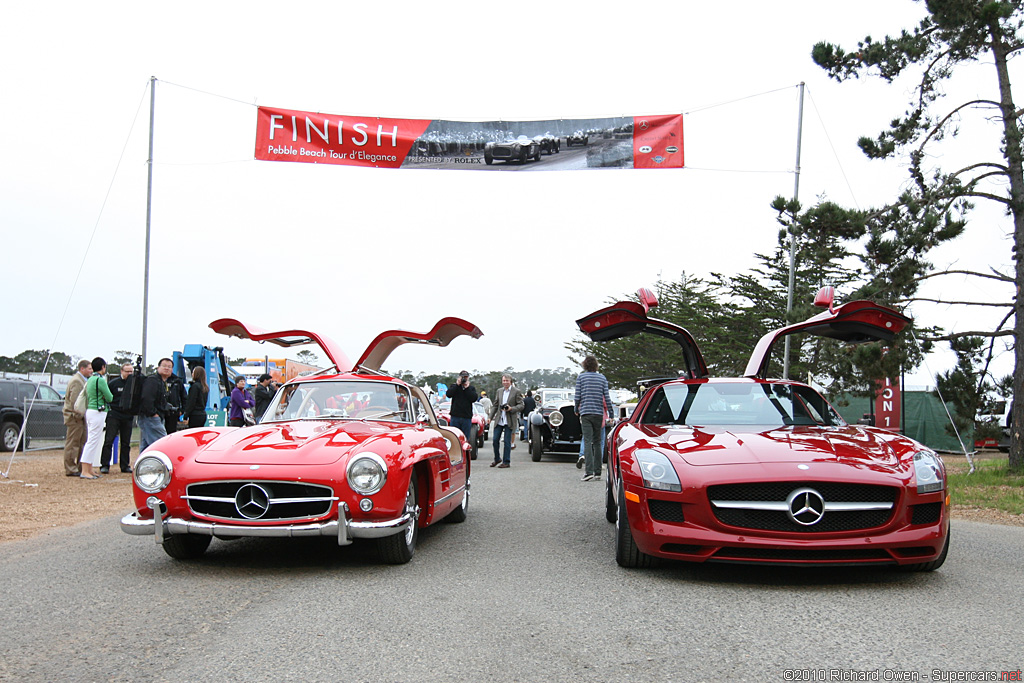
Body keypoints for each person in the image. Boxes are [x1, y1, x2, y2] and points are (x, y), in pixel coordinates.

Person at [575, 355, 613, 482]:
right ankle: (597, 472)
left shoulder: (581, 377)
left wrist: (576, 409)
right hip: (598, 413)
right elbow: (607, 397)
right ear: (596, 365)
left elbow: (577, 396)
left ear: (585, 365)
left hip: (586, 412)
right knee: (597, 442)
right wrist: (611, 413)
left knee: (587, 441)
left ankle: (588, 471)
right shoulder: (602, 378)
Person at [80, 357, 113, 480]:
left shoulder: (90, 380)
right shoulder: (100, 380)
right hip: (98, 411)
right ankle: (85, 470)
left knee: (92, 440)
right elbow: (109, 397)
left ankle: (89, 468)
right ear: (103, 367)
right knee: (92, 441)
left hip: (91, 410)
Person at [100, 361, 134, 474]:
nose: (129, 373)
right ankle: (104, 465)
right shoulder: (114, 383)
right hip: (114, 415)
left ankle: (125, 465)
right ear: (121, 371)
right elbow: (106, 397)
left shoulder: (134, 384)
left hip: (128, 415)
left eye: (131, 371)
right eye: (127, 371)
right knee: (109, 440)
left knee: (126, 442)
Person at [61, 359, 92, 476]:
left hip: (80, 418)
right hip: (74, 418)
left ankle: (79, 467)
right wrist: (79, 415)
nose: (91, 371)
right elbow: (75, 401)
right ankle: (70, 468)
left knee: (81, 443)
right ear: (82, 369)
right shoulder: (77, 381)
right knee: (73, 443)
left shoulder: (82, 381)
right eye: (89, 368)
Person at [487, 374, 523, 468]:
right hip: (499, 419)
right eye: (504, 381)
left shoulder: (516, 391)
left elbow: (521, 405)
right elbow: (495, 405)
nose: (505, 382)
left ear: (510, 381)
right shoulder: (499, 391)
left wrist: (511, 408)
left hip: (510, 420)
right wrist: (490, 417)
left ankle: (506, 461)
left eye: (507, 381)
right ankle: (497, 458)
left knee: (507, 442)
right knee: (495, 440)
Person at [139, 357, 173, 452]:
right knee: (162, 445)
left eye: (169, 367)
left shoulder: (162, 382)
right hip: (150, 418)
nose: (167, 368)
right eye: (164, 366)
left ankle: (142, 465)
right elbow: (146, 398)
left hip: (154, 417)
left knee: (146, 447)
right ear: (158, 368)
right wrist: (153, 414)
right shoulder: (152, 380)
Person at [445, 370, 478, 445]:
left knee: (465, 438)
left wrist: (467, 388)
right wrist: (457, 384)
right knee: (454, 437)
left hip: (466, 417)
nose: (464, 379)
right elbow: (449, 394)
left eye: (465, 377)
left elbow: (473, 398)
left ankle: (465, 454)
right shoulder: (454, 386)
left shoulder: (471, 388)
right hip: (455, 416)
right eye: (462, 377)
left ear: (468, 378)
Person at [163, 370, 187, 436]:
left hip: (173, 412)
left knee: (171, 433)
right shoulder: (157, 380)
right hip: (160, 413)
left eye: (169, 367)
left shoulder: (177, 381)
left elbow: (184, 397)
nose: (167, 369)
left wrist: (182, 410)